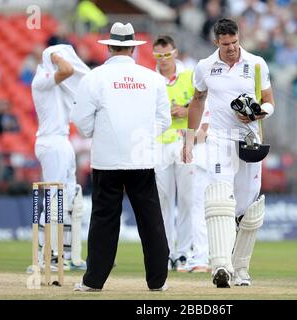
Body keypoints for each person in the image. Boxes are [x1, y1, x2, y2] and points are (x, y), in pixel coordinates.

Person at [71, 22, 171, 292]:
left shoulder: (94, 77)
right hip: (142, 158)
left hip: (107, 158)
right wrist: (143, 138)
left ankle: (93, 281)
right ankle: (158, 281)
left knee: (104, 218)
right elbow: (164, 120)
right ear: (131, 49)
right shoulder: (153, 78)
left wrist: (98, 131)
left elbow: (81, 122)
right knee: (151, 219)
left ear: (110, 48)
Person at [183, 18, 275, 288]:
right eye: (226, 44)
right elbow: (197, 101)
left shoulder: (256, 63)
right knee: (220, 198)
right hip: (220, 140)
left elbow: (270, 102)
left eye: (235, 42)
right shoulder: (204, 67)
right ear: (217, 42)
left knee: (248, 208)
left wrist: (259, 112)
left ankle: (241, 269)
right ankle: (220, 266)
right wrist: (189, 140)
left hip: (249, 140)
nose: (232, 48)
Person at [31, 44, 90, 272]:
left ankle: (67, 255)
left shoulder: (57, 83)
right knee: (55, 198)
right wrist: (53, 54)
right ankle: (46, 255)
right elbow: (66, 69)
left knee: (68, 198)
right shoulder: (42, 78)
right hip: (50, 141)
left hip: (62, 140)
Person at [152, 35, 195, 271]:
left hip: (183, 142)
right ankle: (166, 252)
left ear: (175, 53)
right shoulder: (151, 79)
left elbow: (202, 106)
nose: (164, 60)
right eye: (159, 55)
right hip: (159, 144)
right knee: (164, 200)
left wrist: (185, 110)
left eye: (167, 54)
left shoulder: (189, 75)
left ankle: (183, 252)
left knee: (187, 198)